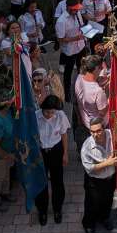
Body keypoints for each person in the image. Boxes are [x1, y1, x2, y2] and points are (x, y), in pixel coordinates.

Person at [35, 95, 69, 226]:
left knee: (57, 181)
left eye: (52, 112)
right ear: (42, 109)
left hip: (56, 150)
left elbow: (64, 134)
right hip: (41, 152)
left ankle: (57, 209)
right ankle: (42, 211)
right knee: (41, 182)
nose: (49, 115)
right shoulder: (35, 116)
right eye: (47, 112)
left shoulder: (60, 115)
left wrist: (65, 153)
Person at [80, 116, 117, 233]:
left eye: (98, 131)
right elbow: (89, 168)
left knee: (108, 200)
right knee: (92, 204)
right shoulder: (87, 146)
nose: (96, 134)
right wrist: (107, 163)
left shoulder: (113, 136)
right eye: (93, 131)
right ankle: (89, 225)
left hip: (110, 178)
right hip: (94, 181)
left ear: (103, 128)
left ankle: (104, 218)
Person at [55, 0, 89, 102]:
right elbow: (60, 39)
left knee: (82, 68)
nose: (77, 10)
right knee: (68, 74)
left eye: (77, 8)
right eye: (74, 9)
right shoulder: (61, 21)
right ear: (68, 8)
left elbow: (82, 26)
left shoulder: (77, 13)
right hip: (70, 50)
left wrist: (88, 31)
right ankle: (68, 94)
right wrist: (75, 38)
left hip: (81, 46)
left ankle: (81, 88)